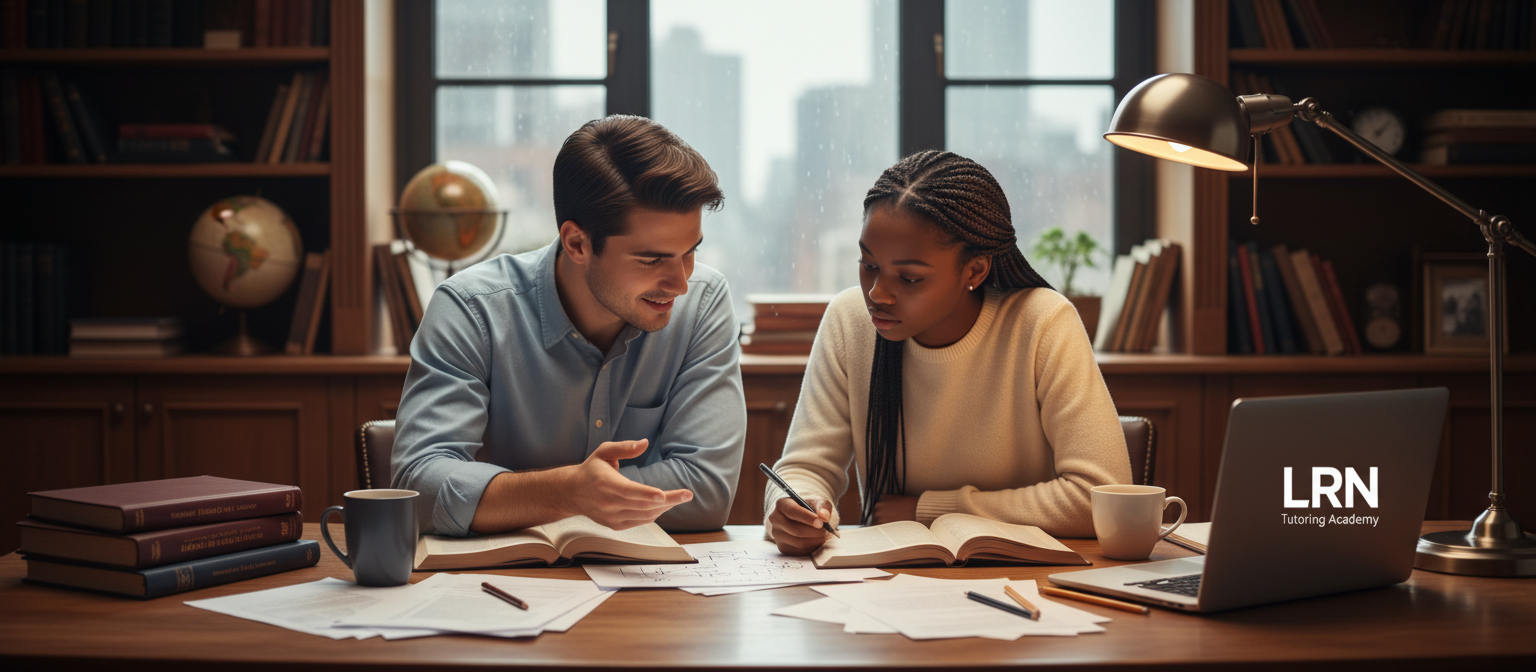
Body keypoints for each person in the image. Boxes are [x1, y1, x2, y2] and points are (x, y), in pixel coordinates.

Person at [393, 115, 746, 537]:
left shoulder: (703, 304)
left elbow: (705, 493)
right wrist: (567, 492)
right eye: (652, 260)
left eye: (690, 252)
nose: (682, 282)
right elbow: (417, 485)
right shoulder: (471, 310)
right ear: (577, 243)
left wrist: (521, 498)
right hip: (495, 588)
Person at [765, 150, 1131, 555]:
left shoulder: (1043, 322)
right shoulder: (850, 320)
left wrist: (933, 509)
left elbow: (1102, 496)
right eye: (868, 265)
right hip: (890, 580)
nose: (877, 294)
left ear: (974, 270)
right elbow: (805, 467)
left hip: (1033, 582)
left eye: (909, 277)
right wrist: (797, 505)